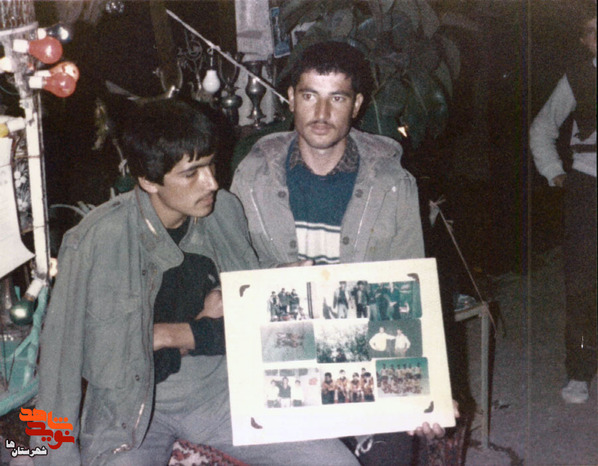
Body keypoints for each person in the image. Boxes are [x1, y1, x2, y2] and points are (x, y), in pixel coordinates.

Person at [33, 99, 359, 465]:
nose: (212, 183)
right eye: (192, 173)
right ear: (148, 180)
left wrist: (277, 279)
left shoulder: (225, 210)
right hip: (131, 412)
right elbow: (59, 365)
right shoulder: (95, 241)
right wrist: (52, 458)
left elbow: (243, 303)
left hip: (224, 393)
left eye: (211, 164)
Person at [231, 40, 449, 462]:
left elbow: (411, 292)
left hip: (366, 353)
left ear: (357, 104)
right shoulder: (251, 176)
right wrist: (275, 277)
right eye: (309, 96)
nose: (321, 113)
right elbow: (233, 273)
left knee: (388, 454)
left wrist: (430, 392)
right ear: (291, 98)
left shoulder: (393, 184)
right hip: (281, 353)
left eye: (337, 98)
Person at [529, 1, 596, 404]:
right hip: (588, 186)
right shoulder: (577, 79)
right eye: (593, 31)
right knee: (583, 282)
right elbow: (542, 127)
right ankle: (580, 370)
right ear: (585, 40)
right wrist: (554, 169)